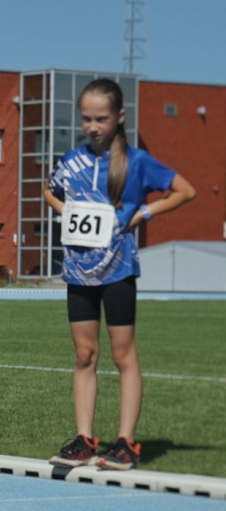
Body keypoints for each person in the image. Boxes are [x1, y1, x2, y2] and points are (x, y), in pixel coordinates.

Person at [44, 78, 196, 471]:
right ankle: (84, 439)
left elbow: (185, 190)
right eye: (86, 118)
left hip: (119, 270)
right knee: (83, 355)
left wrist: (143, 214)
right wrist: (68, 213)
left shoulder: (137, 161)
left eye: (101, 118)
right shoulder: (72, 159)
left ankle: (126, 442)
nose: (93, 126)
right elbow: (49, 190)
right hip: (78, 271)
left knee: (122, 354)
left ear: (119, 117)